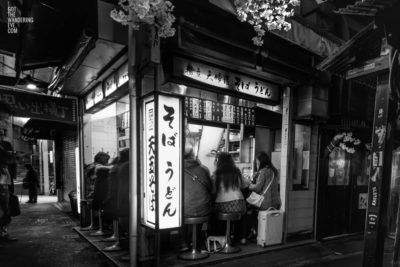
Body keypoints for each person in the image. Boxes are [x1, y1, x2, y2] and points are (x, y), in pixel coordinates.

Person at [179, 143, 212, 250]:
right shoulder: (204, 169)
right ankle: (196, 241)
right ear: (193, 155)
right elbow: (211, 188)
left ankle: (183, 242)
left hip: (184, 209)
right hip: (203, 208)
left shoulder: (176, 169)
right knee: (200, 207)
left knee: (181, 211)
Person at [244, 152, 281, 241]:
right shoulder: (273, 171)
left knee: (247, 209)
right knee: (251, 209)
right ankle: (255, 230)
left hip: (265, 203)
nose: (257, 165)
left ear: (262, 162)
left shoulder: (263, 172)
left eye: (257, 163)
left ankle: (253, 231)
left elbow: (257, 188)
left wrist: (248, 185)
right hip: (275, 202)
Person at [211, 152, 247, 243]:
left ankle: (222, 238)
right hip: (239, 204)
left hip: (223, 205)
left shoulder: (217, 174)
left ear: (219, 161)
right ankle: (240, 237)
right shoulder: (237, 172)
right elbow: (244, 185)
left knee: (214, 214)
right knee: (242, 214)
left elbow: (213, 191)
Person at [0, 100, 17, 241]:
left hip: (4, 181)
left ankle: (3, 233)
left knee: (5, 208)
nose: (4, 125)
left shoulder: (4, 143)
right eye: (3, 119)